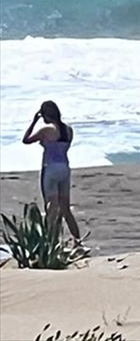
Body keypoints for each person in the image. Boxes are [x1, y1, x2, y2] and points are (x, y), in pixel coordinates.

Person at [22, 101, 82, 242]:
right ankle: (77, 241)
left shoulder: (47, 129)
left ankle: (50, 242)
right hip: (64, 168)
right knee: (65, 208)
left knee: (51, 206)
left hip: (50, 168)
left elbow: (26, 140)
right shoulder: (68, 130)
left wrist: (33, 121)